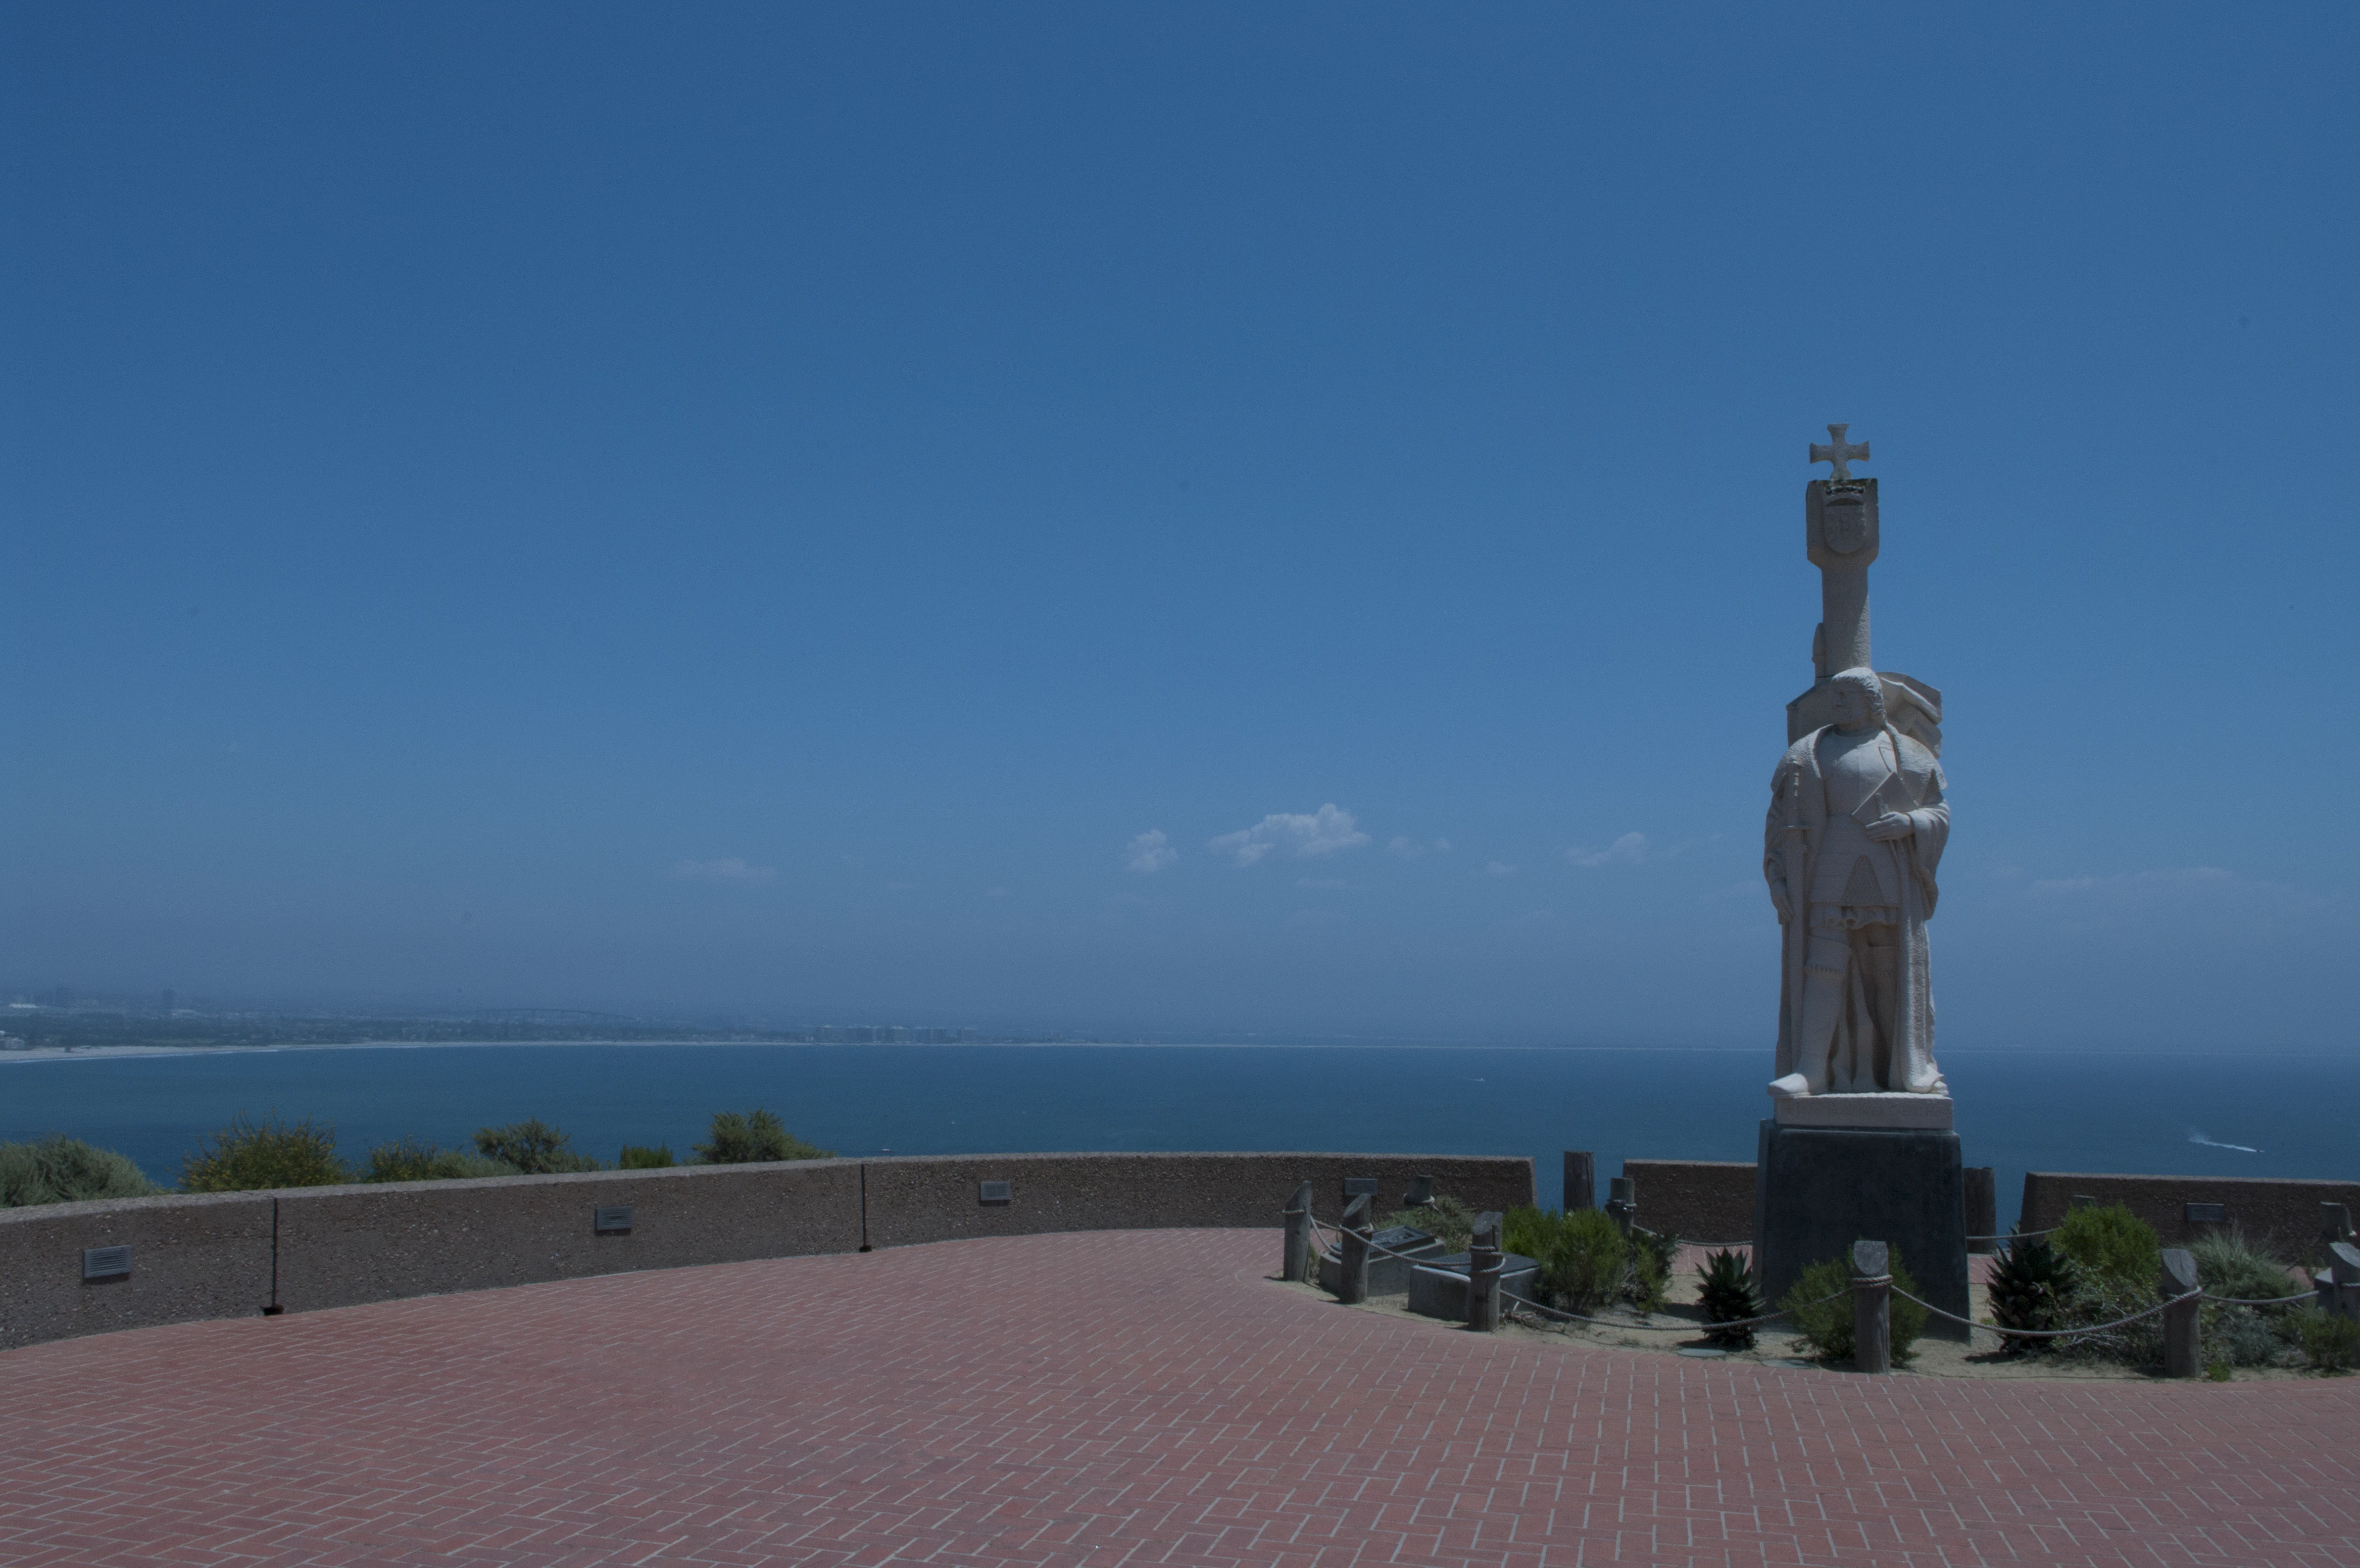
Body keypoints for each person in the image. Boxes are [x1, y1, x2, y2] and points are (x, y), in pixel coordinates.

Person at [1763, 667, 1948, 1097]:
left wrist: (1910, 822)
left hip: (1888, 866)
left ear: (1872, 701)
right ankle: (1811, 1069)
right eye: (1835, 695)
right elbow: (1779, 827)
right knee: (1822, 962)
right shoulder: (1805, 756)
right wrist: (1778, 881)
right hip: (1829, 862)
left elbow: (1939, 811)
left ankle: (1900, 1067)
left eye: (1847, 695)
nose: (1838, 703)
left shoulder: (1909, 756)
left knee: (1889, 966)